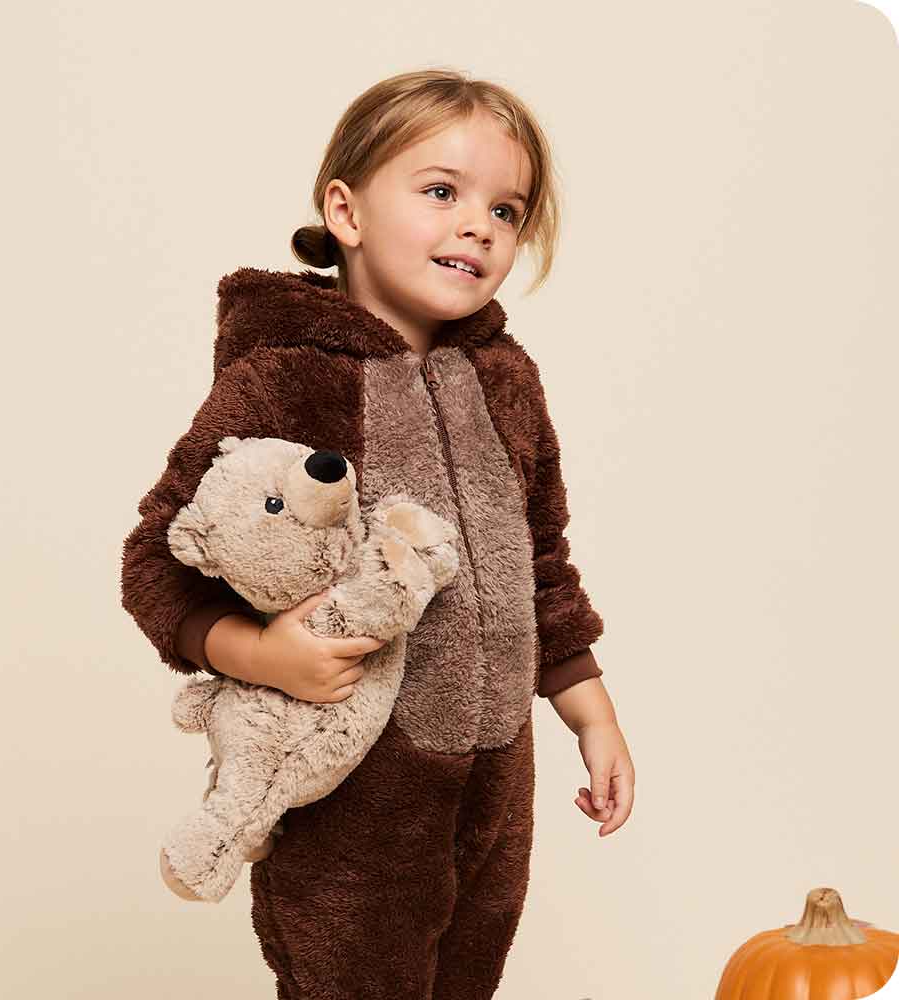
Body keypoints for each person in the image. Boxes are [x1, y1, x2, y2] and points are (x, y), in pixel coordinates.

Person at [121, 67, 635, 1000]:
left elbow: (541, 562)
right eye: (442, 191)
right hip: (354, 795)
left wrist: (592, 716)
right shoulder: (283, 379)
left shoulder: (507, 383)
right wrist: (259, 654)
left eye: (507, 210)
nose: (479, 226)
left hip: (496, 784)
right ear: (346, 212)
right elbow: (158, 560)